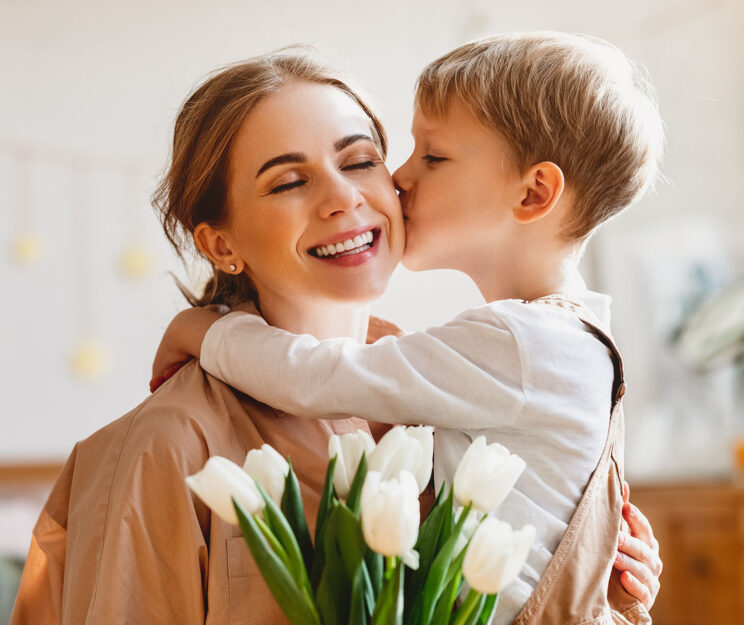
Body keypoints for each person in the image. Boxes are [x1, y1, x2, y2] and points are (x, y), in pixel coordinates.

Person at [12, 49, 659, 625]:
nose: (345, 197)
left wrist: (610, 567)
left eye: (361, 160)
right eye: (289, 180)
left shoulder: (436, 401)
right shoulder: (170, 441)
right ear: (220, 242)